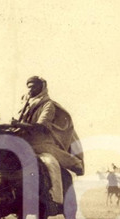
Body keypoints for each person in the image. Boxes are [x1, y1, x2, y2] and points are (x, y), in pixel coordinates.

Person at [11, 76, 84, 211]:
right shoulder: (24, 103)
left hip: (42, 145)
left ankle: (55, 199)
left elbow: (42, 126)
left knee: (51, 164)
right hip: (24, 143)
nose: (30, 89)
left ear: (42, 88)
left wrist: (20, 125)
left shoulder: (48, 105)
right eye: (29, 87)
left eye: (34, 87)